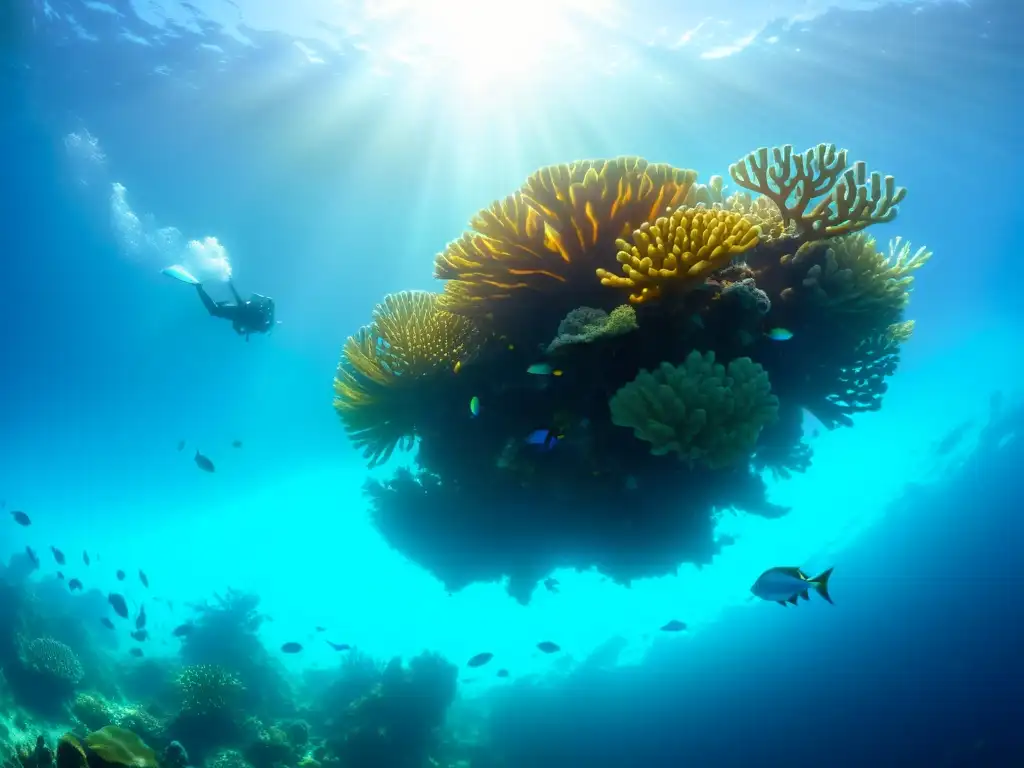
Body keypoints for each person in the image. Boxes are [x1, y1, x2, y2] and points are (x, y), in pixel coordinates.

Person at [195, 280, 276, 341]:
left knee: (220, 305)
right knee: (214, 310)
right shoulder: (260, 328)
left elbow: (269, 302)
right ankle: (199, 288)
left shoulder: (265, 318)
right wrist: (239, 328)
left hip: (241, 306)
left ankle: (227, 277)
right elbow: (240, 329)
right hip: (238, 313)